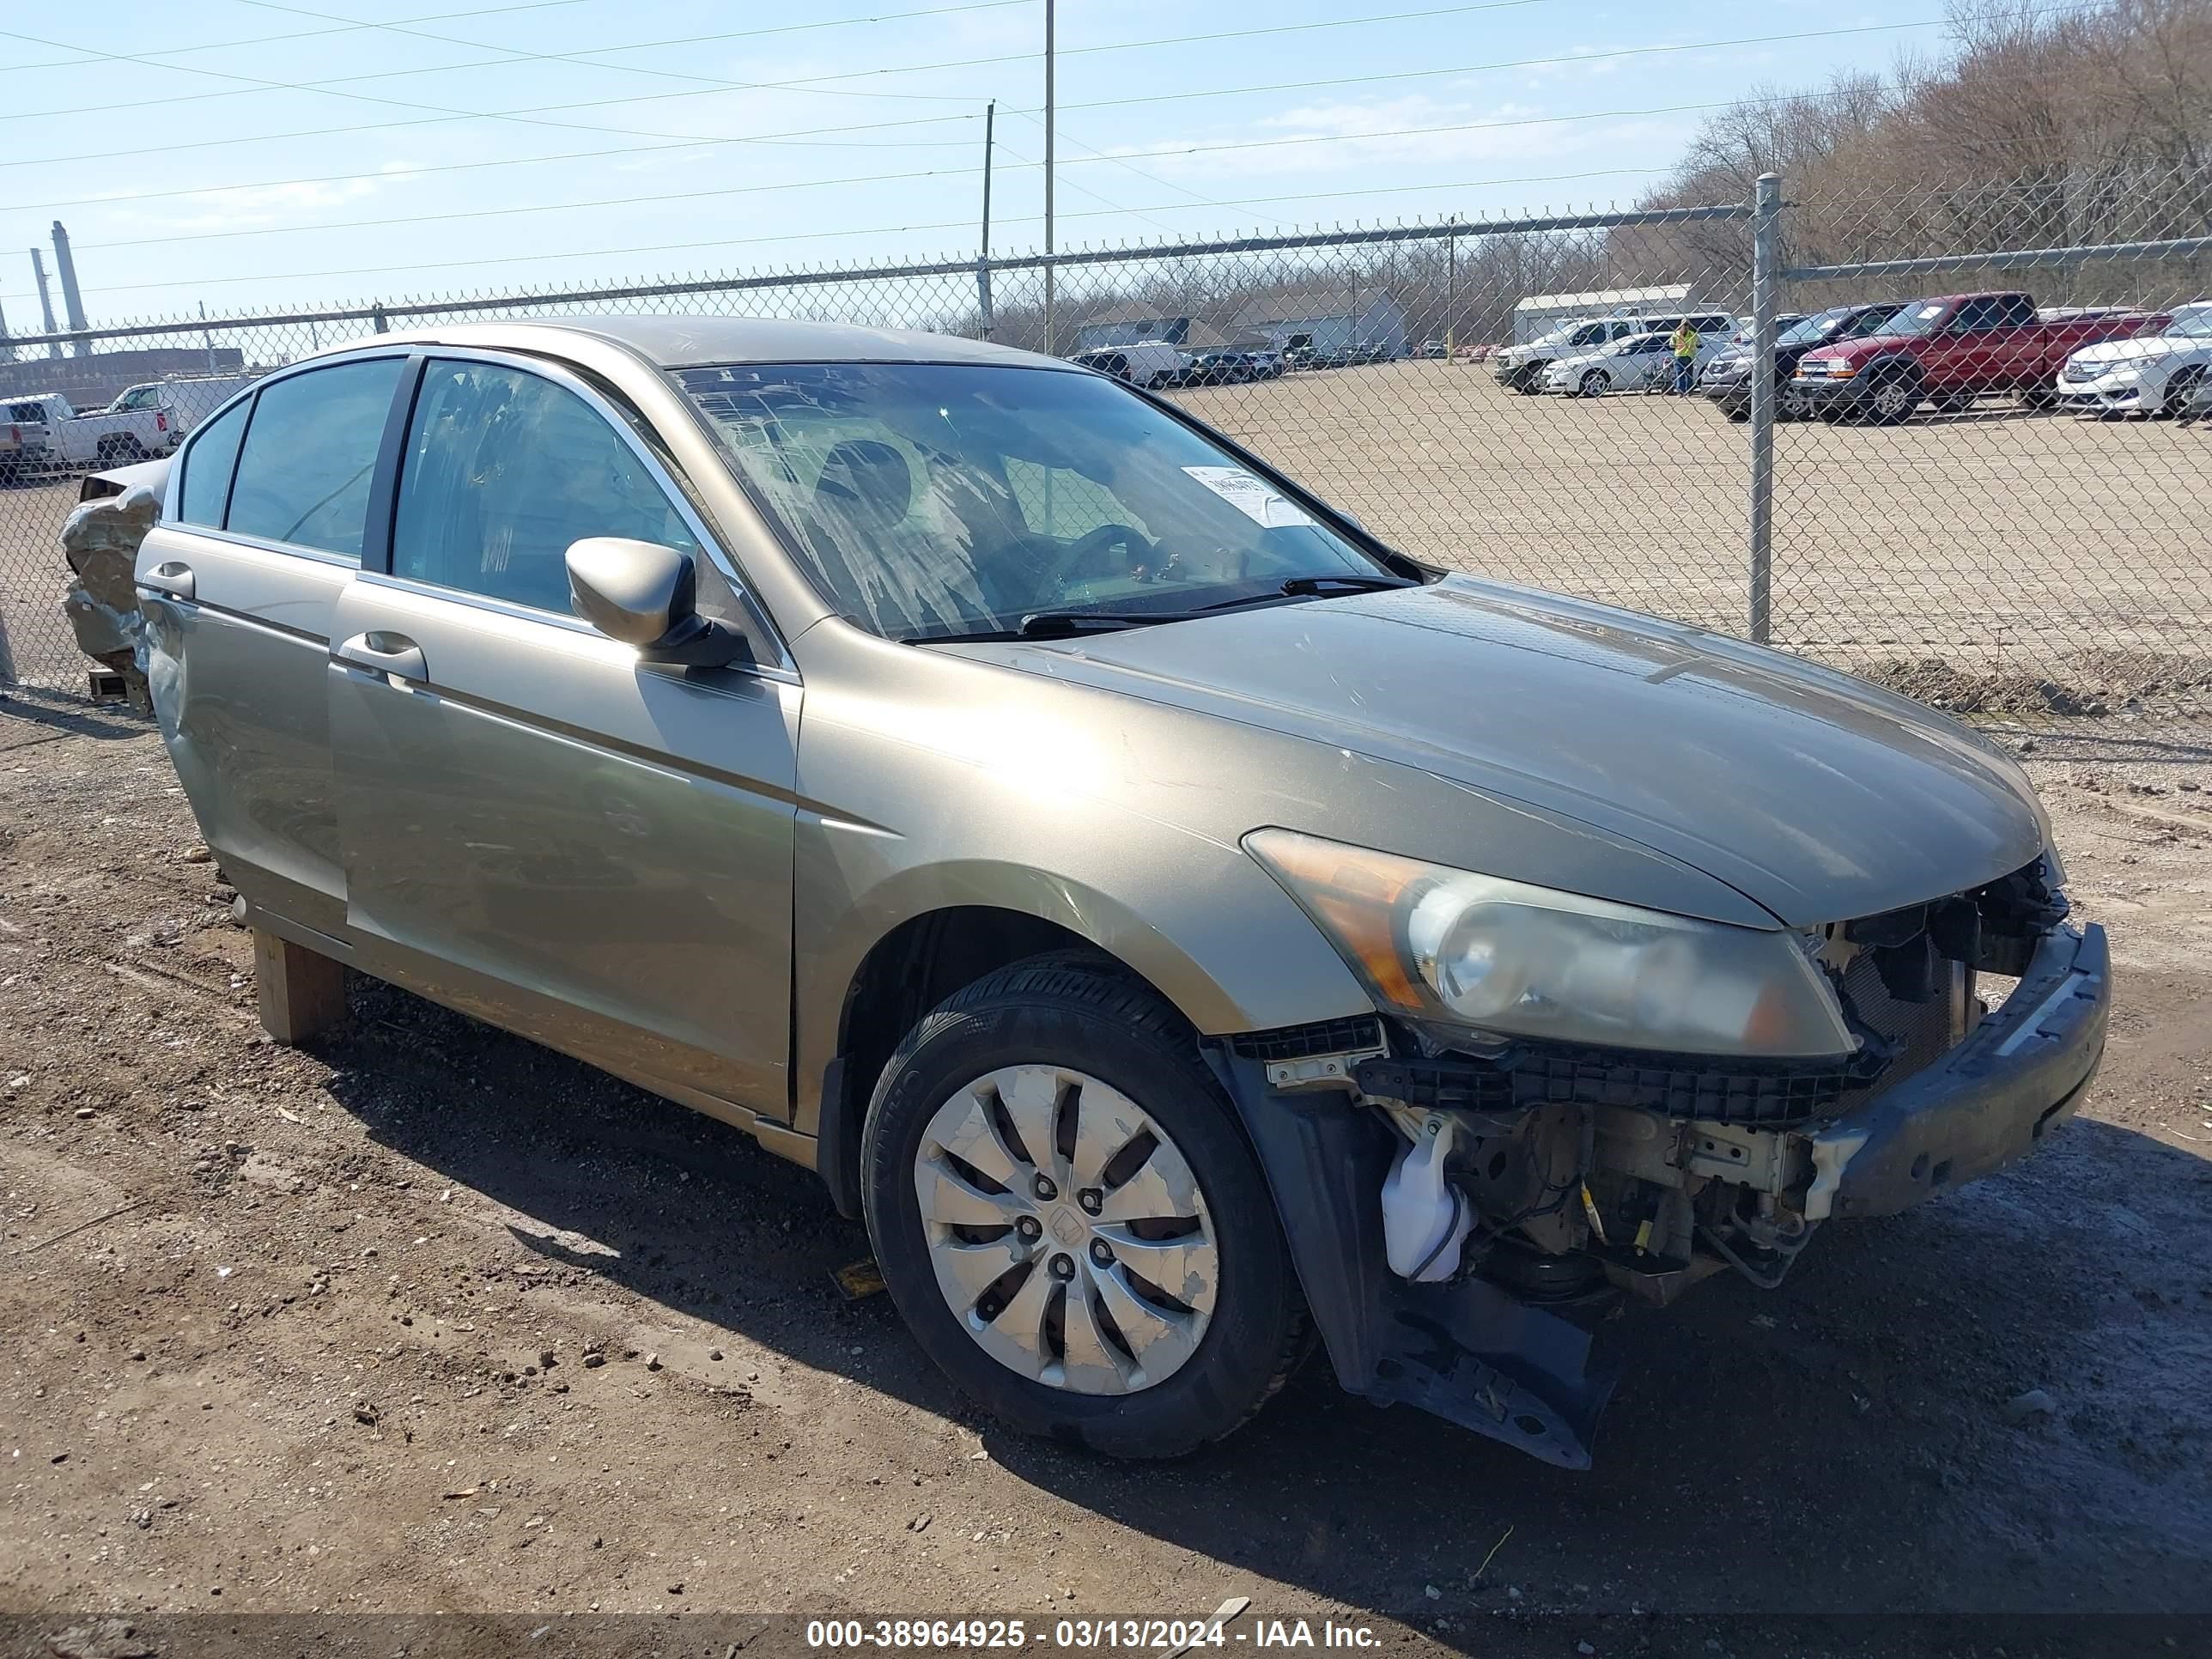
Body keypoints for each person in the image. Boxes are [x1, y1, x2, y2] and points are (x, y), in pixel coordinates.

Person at [1670, 319, 1700, 394]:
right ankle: (1689, 391)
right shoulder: (1693, 334)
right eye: (1685, 325)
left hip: (1681, 356)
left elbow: (1671, 345)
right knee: (1688, 375)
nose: (1686, 326)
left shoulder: (1676, 334)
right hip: (1688, 356)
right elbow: (1699, 344)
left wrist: (1677, 345)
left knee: (1681, 375)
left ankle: (1681, 391)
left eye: (1686, 325)